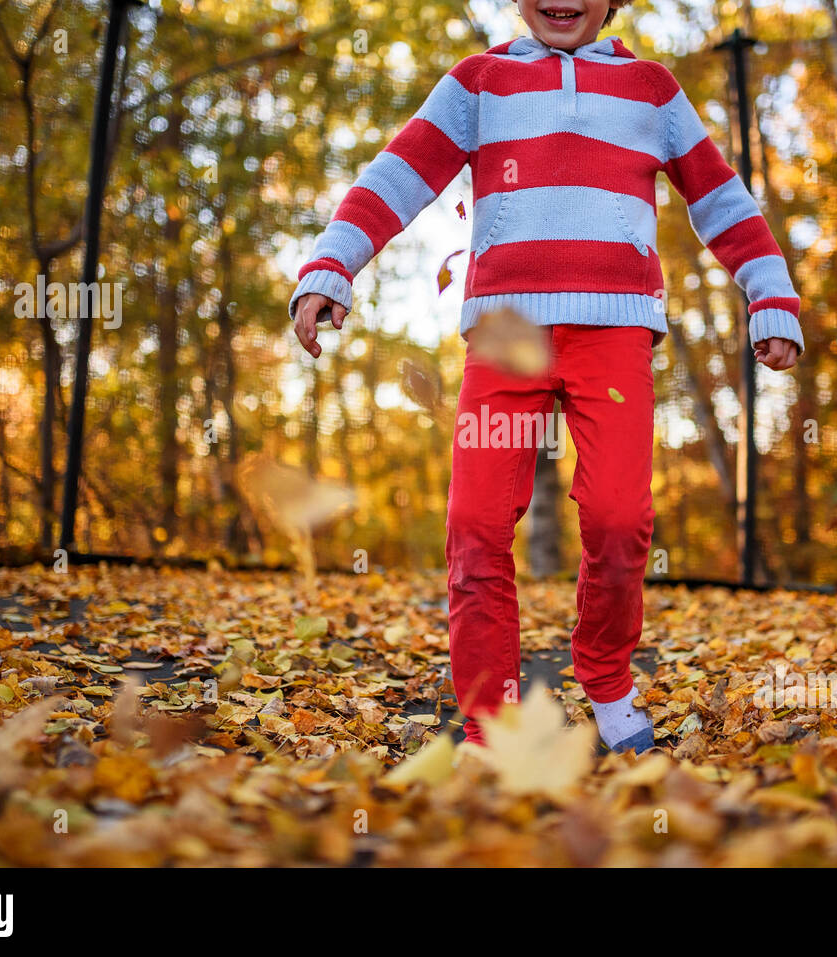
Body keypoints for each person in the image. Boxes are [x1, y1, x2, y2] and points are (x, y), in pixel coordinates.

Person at [289, 0, 802, 754]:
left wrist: (771, 294)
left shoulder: (652, 90)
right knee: (474, 524)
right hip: (505, 335)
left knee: (620, 519)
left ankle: (604, 674)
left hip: (616, 333)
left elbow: (720, 196)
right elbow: (397, 176)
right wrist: (331, 264)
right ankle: (490, 720)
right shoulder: (479, 82)